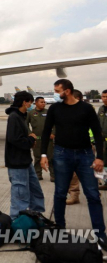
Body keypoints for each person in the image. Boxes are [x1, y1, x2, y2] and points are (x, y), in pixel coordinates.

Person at [40, 79, 106, 247]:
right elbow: (46, 131)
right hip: (62, 154)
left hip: (85, 155)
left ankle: (100, 234)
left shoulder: (86, 109)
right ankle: (60, 229)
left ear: (67, 91)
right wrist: (43, 154)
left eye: (57, 90)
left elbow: (97, 133)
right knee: (60, 193)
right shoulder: (55, 109)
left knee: (92, 194)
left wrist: (100, 157)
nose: (55, 93)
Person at [5, 91, 46, 220]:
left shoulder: (21, 116)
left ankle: (35, 215)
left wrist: (29, 139)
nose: (31, 105)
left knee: (35, 190)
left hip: (25, 161)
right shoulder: (14, 117)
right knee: (20, 194)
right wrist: (31, 140)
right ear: (25, 102)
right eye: (30, 102)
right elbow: (14, 139)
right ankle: (18, 222)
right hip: (17, 163)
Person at [26, 97, 55, 182]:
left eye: (44, 102)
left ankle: (53, 175)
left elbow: (55, 124)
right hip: (37, 140)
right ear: (36, 103)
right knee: (37, 157)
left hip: (48, 140)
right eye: (41, 102)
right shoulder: (30, 113)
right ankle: (38, 174)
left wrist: (53, 133)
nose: (43, 103)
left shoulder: (48, 112)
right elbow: (25, 124)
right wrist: (30, 133)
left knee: (51, 157)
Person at [99, 89, 107, 191]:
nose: (105, 99)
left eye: (106, 97)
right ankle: (105, 182)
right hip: (103, 141)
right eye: (103, 97)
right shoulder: (101, 109)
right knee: (104, 162)